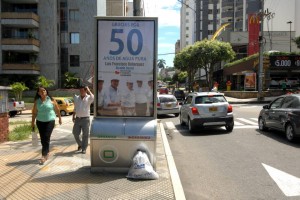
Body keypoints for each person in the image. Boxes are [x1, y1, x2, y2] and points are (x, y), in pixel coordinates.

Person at [31, 86, 62, 165]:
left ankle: (44, 155)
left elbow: (57, 109)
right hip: (40, 122)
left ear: (46, 91)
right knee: (43, 138)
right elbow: (34, 112)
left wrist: (59, 118)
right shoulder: (37, 101)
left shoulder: (51, 100)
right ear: (38, 93)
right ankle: (47, 152)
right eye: (41, 91)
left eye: (44, 91)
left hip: (50, 121)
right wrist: (32, 122)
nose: (43, 92)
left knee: (46, 137)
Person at [72, 85, 94, 154]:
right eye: (80, 90)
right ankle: (81, 144)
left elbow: (93, 97)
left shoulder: (88, 98)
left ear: (85, 90)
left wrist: (88, 90)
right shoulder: (77, 98)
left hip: (85, 119)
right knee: (75, 133)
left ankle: (84, 148)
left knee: (85, 134)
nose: (81, 91)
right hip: (78, 119)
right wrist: (73, 116)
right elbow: (75, 108)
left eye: (83, 90)